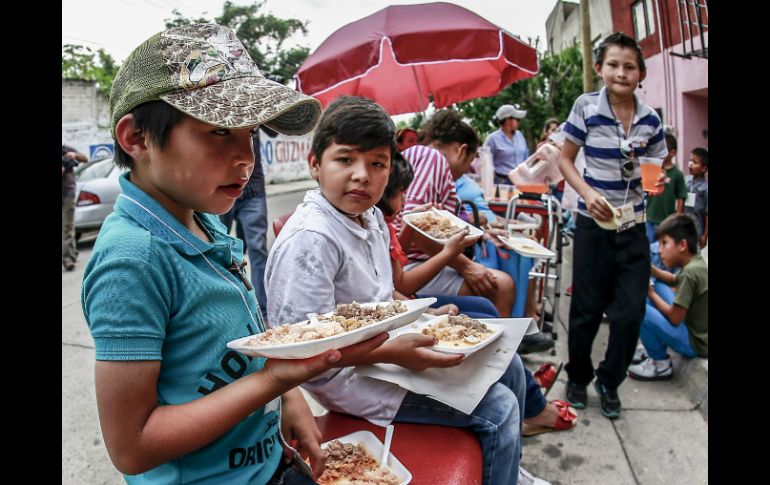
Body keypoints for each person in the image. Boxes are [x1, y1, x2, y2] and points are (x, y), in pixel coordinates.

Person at [81, 24, 388, 484]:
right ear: (136, 138)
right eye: (220, 130)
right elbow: (133, 446)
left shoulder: (203, 220)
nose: (247, 157)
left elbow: (248, 342)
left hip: (268, 462)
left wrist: (289, 399)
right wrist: (274, 382)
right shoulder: (133, 259)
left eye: (252, 134)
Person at [265, 96, 531, 485]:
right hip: (351, 379)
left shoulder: (369, 216)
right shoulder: (311, 240)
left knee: (512, 365)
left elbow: (381, 297)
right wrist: (398, 353)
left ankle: (508, 467)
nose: (362, 175)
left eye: (377, 163)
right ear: (314, 165)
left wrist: (424, 315)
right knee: (499, 410)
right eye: (345, 160)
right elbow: (302, 352)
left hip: (386, 352)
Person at [558, 32, 668, 419]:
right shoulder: (586, 107)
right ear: (599, 68)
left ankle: (609, 380)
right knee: (586, 309)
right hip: (592, 226)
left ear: (641, 73)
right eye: (614, 65)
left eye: (630, 66)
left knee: (629, 314)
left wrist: (658, 181)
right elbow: (566, 160)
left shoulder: (651, 119)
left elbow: (656, 172)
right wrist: (587, 194)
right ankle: (578, 377)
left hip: (633, 228)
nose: (621, 73)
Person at [400, 110, 517, 319]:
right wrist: (467, 267)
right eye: (468, 163)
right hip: (410, 266)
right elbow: (414, 224)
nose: (464, 172)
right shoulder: (432, 158)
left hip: (415, 262)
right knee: (502, 286)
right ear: (462, 150)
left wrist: (483, 234)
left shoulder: (423, 159)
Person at [628, 213, 708, 380]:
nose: (659, 250)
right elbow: (673, 279)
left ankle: (660, 363)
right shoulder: (696, 263)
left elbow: (675, 317)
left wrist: (649, 292)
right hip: (692, 328)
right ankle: (653, 345)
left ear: (682, 245)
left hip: (694, 343)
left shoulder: (690, 274)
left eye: (664, 243)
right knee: (657, 284)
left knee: (638, 307)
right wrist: (652, 270)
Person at [219, 128, 270, 317]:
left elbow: (273, 132)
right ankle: (231, 310)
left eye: (250, 134)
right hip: (222, 188)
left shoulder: (257, 107)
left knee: (258, 249)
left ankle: (263, 311)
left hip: (254, 192)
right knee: (220, 250)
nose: (246, 157)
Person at [645, 132, 687, 242]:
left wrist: (676, 220)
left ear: (672, 152)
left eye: (662, 150)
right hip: (650, 219)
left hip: (667, 221)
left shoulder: (677, 174)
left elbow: (681, 198)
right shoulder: (652, 170)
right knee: (649, 249)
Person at [484, 103, 530, 184]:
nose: (519, 122)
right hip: (502, 181)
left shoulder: (520, 136)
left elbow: (526, 158)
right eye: (517, 119)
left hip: (521, 180)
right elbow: (486, 164)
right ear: (507, 120)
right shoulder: (492, 139)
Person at [62, 144, 88, 271]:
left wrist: (74, 155)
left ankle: (67, 258)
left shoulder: (66, 150)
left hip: (67, 193)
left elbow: (85, 158)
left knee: (68, 225)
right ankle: (70, 252)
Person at [684, 147, 708, 249]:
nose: (690, 164)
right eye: (690, 160)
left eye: (695, 162)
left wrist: (705, 235)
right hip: (683, 227)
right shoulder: (685, 181)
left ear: (704, 168)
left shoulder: (705, 188)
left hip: (697, 230)